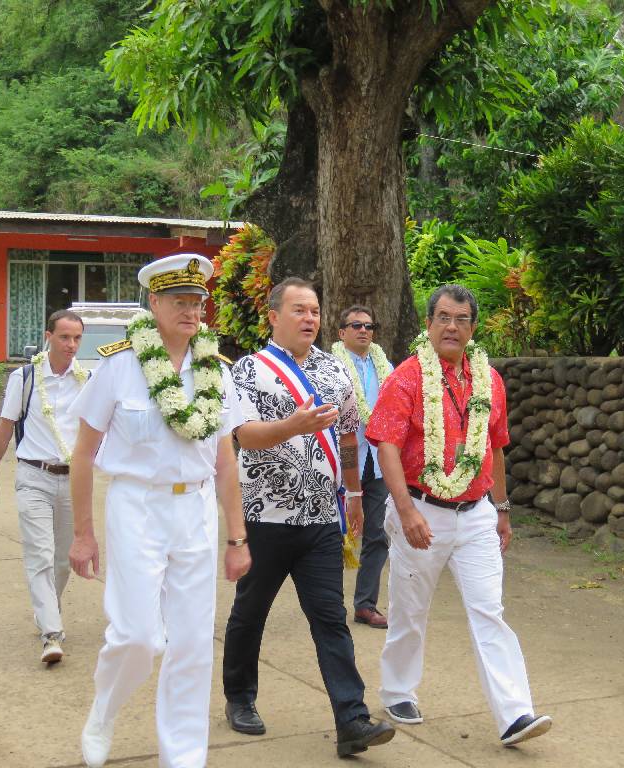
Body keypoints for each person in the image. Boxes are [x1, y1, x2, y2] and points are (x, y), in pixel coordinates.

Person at [68, 253, 250, 768]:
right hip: (136, 506)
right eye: (180, 301)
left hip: (194, 509)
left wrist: (236, 537)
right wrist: (83, 534)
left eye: (197, 302)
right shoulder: (120, 365)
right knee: (137, 636)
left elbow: (224, 459)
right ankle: (104, 713)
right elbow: (82, 453)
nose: (191, 311)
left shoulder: (216, 370)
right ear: (154, 302)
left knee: (192, 643)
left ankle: (184, 756)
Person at [366, 284, 553, 747]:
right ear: (428, 324)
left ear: (472, 327)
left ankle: (515, 714)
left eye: (462, 319)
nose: (452, 326)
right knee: (410, 610)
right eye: (444, 317)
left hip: (476, 515)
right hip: (420, 509)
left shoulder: (490, 380)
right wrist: (406, 510)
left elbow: (496, 446)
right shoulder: (407, 378)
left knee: (490, 610)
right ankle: (397, 691)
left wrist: (502, 510)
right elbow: (386, 444)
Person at [222, 277, 395, 758]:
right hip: (265, 517)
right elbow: (245, 438)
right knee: (250, 613)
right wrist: (291, 426)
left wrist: (356, 493)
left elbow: (347, 439)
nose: (309, 319)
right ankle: (240, 697)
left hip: (320, 520)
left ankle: (352, 719)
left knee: (330, 619)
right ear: (274, 316)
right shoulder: (247, 371)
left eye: (315, 310)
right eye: (299, 310)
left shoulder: (334, 372)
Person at [0, 310, 88, 664]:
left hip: (72, 481)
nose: (71, 345)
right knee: (40, 555)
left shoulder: (87, 380)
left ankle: (47, 610)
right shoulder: (24, 378)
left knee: (61, 561)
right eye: (64, 337)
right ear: (48, 336)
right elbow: (5, 427)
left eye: (76, 338)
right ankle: (51, 634)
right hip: (33, 477)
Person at [331, 306, 393, 629]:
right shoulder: (332, 368)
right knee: (333, 535)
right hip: (342, 464)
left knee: (377, 534)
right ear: (341, 332)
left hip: (378, 462)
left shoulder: (385, 367)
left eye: (369, 325)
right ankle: (328, 605)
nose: (364, 331)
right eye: (356, 325)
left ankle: (366, 604)